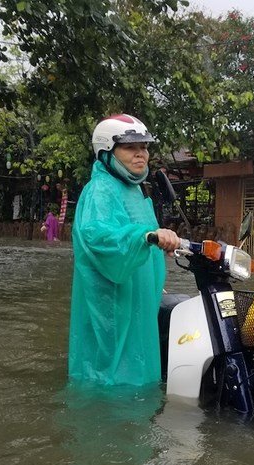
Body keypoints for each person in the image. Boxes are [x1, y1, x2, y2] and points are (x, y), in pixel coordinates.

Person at [68, 114, 180, 386]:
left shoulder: (136, 190)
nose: (141, 154)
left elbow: (145, 243)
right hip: (113, 301)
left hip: (138, 295)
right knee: (112, 376)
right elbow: (99, 237)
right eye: (131, 148)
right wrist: (147, 236)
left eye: (144, 147)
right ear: (107, 151)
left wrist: (154, 276)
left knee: (140, 370)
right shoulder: (100, 190)